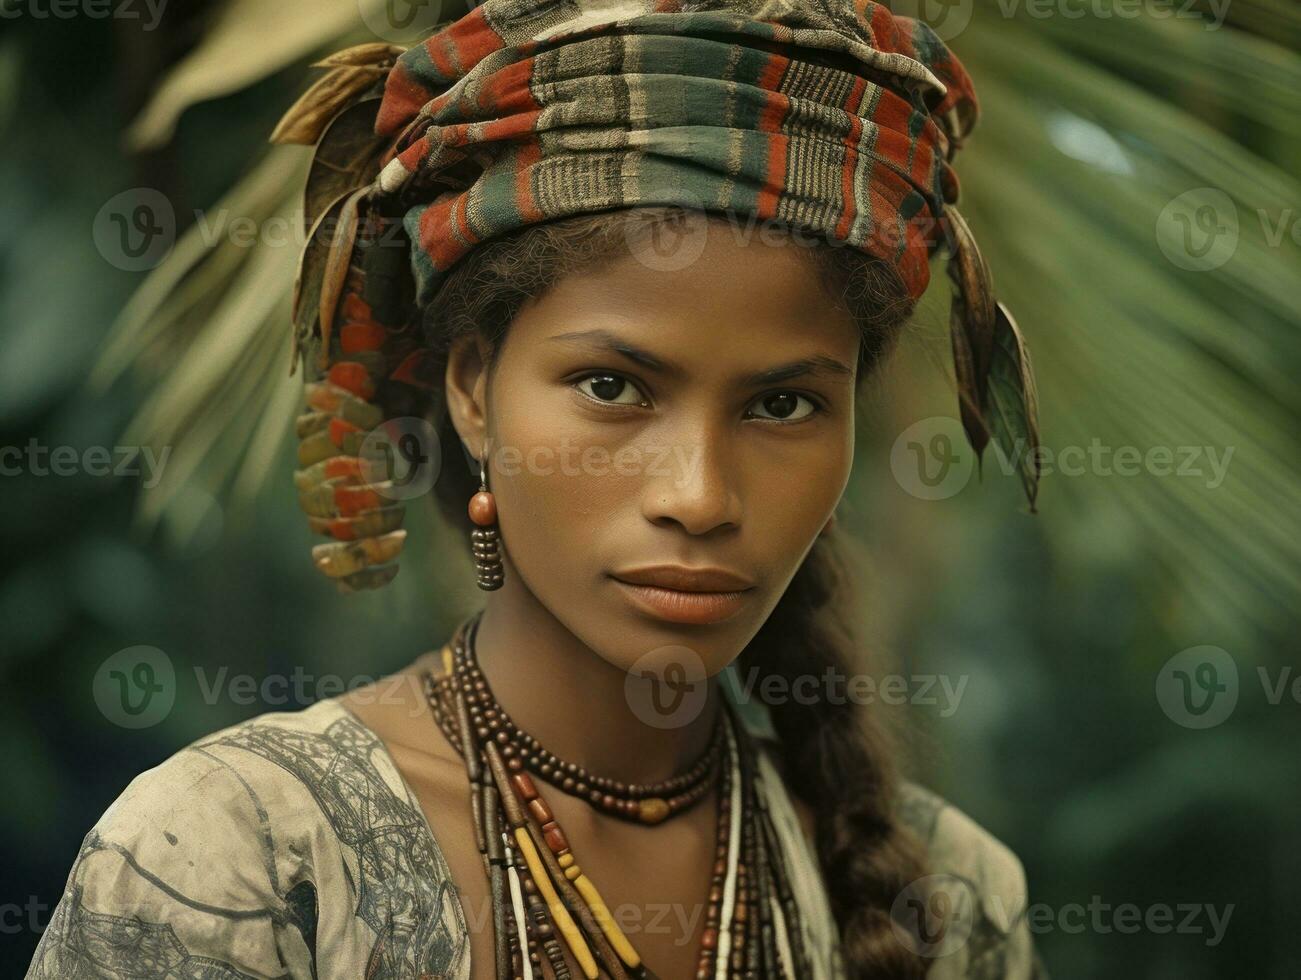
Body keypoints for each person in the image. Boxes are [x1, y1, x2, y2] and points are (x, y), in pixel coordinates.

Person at [28, 1, 1045, 977]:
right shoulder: (235, 860)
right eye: (611, 387)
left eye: (780, 406)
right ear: (472, 389)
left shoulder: (948, 898)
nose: (698, 496)